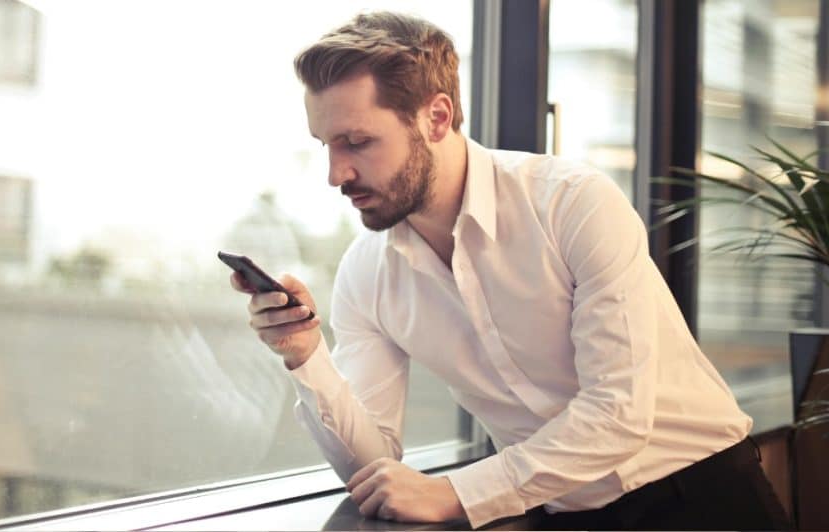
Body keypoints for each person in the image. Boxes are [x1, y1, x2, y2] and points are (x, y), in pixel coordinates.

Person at [229, 11, 792, 530]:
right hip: (558, 514)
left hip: (702, 496)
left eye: (357, 142)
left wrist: (458, 492)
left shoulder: (573, 203)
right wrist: (306, 356)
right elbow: (374, 469)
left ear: (436, 117)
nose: (335, 174)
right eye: (327, 145)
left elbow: (618, 414)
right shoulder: (366, 274)